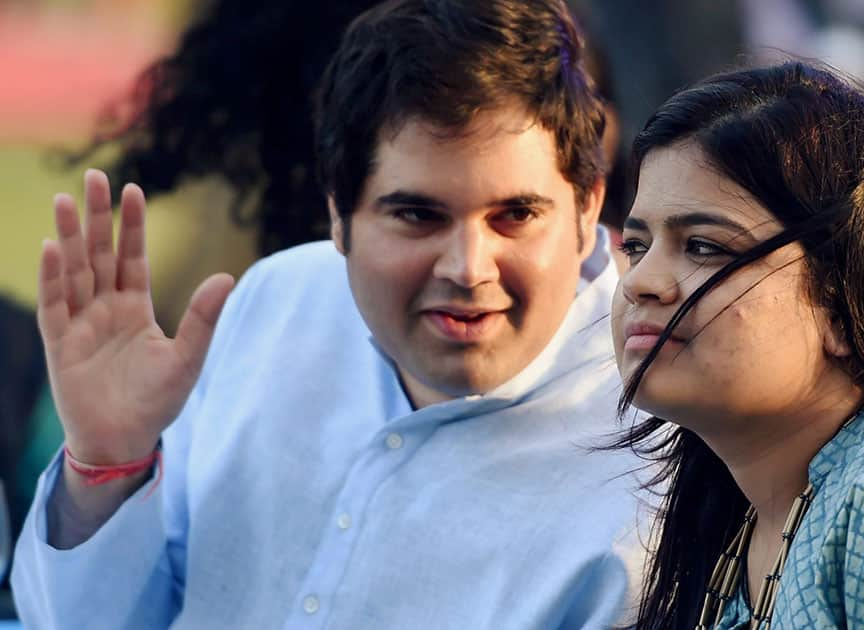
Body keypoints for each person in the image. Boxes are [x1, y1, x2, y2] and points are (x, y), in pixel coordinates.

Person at [12, 1, 646, 628]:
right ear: (339, 215)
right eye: (419, 216)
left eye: (515, 215)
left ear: (589, 207)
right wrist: (107, 464)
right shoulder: (281, 300)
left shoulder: (660, 437)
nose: (469, 266)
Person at [609, 61, 864, 629]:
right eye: (638, 244)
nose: (639, 281)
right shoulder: (736, 508)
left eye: (702, 247)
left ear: (844, 300)